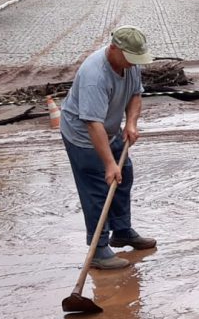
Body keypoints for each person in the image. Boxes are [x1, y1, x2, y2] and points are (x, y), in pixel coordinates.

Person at [60, 26, 157, 270]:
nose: (133, 63)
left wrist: (131, 123)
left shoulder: (130, 63)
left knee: (125, 175)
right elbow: (93, 124)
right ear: (113, 48)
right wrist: (109, 164)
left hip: (110, 129)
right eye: (130, 58)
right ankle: (99, 249)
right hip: (83, 136)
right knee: (97, 189)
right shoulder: (94, 76)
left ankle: (122, 231)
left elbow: (135, 95)